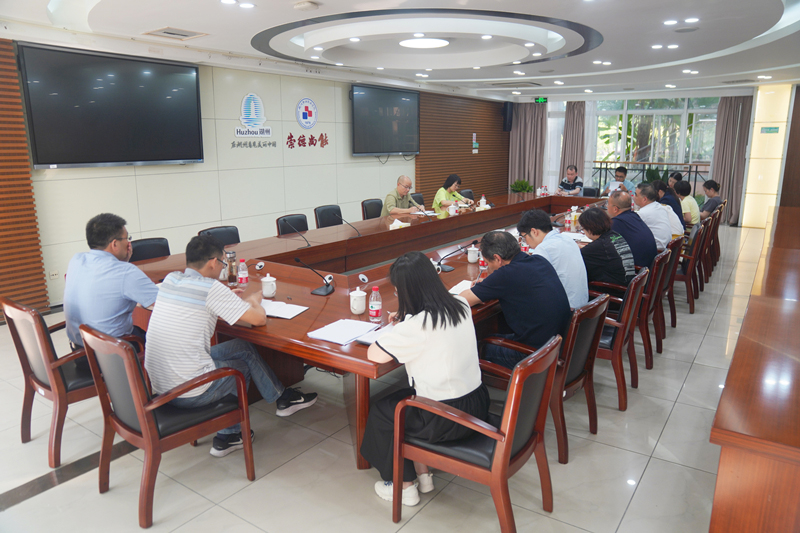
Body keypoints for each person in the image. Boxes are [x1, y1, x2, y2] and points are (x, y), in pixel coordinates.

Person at [144, 235, 317, 457]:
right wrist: (253, 301)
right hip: (189, 392)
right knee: (239, 369)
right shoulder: (211, 288)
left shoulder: (170, 280)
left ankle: (283, 398)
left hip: (162, 387)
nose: (222, 268)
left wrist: (226, 299)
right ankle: (230, 436)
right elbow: (258, 319)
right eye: (223, 263)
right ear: (213, 262)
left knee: (241, 347)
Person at [361, 251, 489, 506]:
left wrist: (400, 327)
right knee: (405, 399)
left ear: (407, 291)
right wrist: (406, 320)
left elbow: (374, 354)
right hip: (477, 405)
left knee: (383, 412)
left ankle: (403, 486)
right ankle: (424, 475)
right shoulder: (460, 304)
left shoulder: (416, 326)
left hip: (446, 420)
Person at [460, 231, 572, 369]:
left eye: (488, 263)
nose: (488, 267)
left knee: (475, 347)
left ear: (497, 258)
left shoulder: (506, 274)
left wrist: (491, 284)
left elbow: (464, 299)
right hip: (556, 345)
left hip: (535, 355)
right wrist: (490, 285)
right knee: (493, 334)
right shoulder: (539, 260)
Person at [64, 213, 159, 349]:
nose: (129, 243)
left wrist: (122, 263)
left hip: (79, 351)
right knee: (161, 340)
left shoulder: (76, 260)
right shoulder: (125, 272)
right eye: (127, 238)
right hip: (114, 353)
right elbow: (163, 303)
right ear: (115, 244)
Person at [517, 209, 588, 308]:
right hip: (583, 307)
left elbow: (528, 282)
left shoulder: (544, 249)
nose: (527, 243)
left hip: (567, 310)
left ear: (534, 232)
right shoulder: (567, 239)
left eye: (524, 237)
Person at [578, 207, 636, 286]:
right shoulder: (614, 235)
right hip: (626, 282)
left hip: (613, 290)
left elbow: (577, 259)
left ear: (589, 228)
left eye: (583, 228)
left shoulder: (599, 246)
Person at [607, 190, 658, 268]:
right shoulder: (634, 216)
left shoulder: (616, 222)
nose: (606, 206)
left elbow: (606, 247)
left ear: (615, 209)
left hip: (637, 270)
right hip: (647, 268)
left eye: (608, 204)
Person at [633, 183, 673, 251]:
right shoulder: (660, 207)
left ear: (644, 199)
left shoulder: (643, 213)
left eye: (636, 195)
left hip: (655, 251)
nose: (634, 197)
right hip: (665, 250)